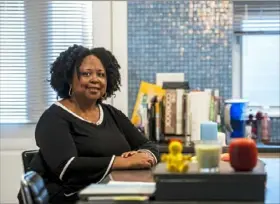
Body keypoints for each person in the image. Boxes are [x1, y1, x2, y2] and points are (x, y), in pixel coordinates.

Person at [18, 45, 159, 204]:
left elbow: (147, 144)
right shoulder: (53, 118)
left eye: (101, 74)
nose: (95, 79)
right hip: (71, 198)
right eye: (86, 74)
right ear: (69, 78)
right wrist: (122, 161)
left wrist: (145, 156)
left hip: (108, 193)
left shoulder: (111, 113)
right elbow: (67, 167)